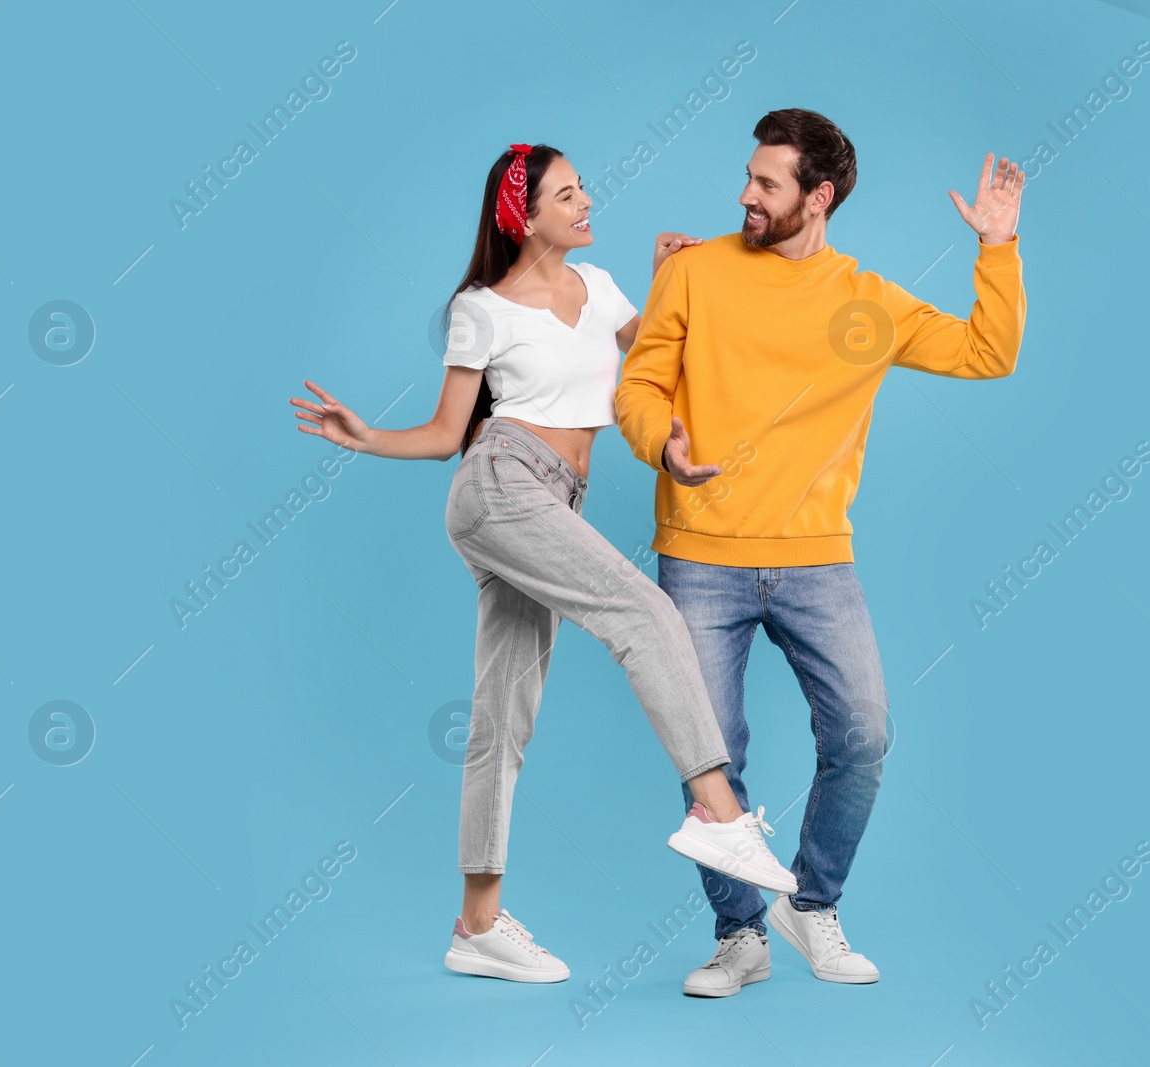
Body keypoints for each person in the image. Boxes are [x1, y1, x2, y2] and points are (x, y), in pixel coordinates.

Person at [289, 143, 796, 985]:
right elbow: (449, 433)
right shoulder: (481, 308)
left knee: (502, 719)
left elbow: (659, 363)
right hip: (499, 485)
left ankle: (476, 925)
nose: (588, 200)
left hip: (558, 499)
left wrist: (669, 279)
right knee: (644, 612)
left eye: (585, 188)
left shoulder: (599, 290)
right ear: (522, 214)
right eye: (569, 193)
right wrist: (367, 435)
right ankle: (719, 808)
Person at [614, 108, 1027, 996]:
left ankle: (813, 903)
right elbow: (640, 382)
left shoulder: (867, 303)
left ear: (819, 195)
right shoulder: (693, 272)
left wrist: (997, 247)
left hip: (814, 558)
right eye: (749, 177)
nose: (745, 195)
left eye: (767, 184)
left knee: (862, 735)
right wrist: (663, 444)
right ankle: (739, 935)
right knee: (710, 752)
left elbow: (988, 352)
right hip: (700, 553)